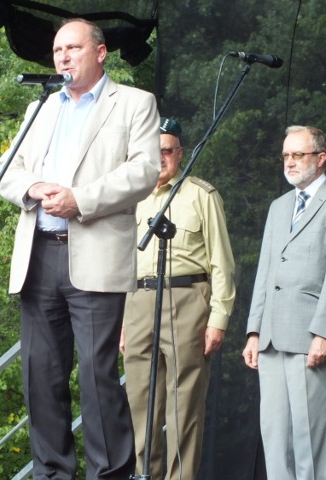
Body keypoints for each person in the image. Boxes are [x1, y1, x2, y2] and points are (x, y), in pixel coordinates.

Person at [0, 18, 161, 479]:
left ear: (100, 52)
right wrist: (36, 187)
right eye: (57, 49)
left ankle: (111, 475)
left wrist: (80, 200)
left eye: (72, 47)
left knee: (97, 377)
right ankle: (52, 474)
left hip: (95, 255)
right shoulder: (41, 107)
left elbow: (144, 171)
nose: (62, 56)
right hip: (39, 254)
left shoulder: (133, 103)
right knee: (41, 377)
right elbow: (5, 169)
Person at [242, 125, 326, 479]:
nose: (290, 163)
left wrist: (325, 334)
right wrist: (253, 332)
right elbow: (265, 273)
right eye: (286, 156)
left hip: (310, 339)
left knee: (310, 442)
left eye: (298, 155)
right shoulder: (279, 207)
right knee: (275, 440)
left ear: (320, 159)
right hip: (271, 339)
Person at [120, 117, 236, 479]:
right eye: (152, 152)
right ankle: (144, 475)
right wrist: (122, 321)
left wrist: (218, 319)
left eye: (166, 151)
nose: (160, 158)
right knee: (140, 401)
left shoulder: (201, 194)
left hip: (187, 299)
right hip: (138, 302)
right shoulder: (133, 197)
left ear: (180, 153)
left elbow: (223, 263)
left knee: (184, 405)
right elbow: (122, 261)